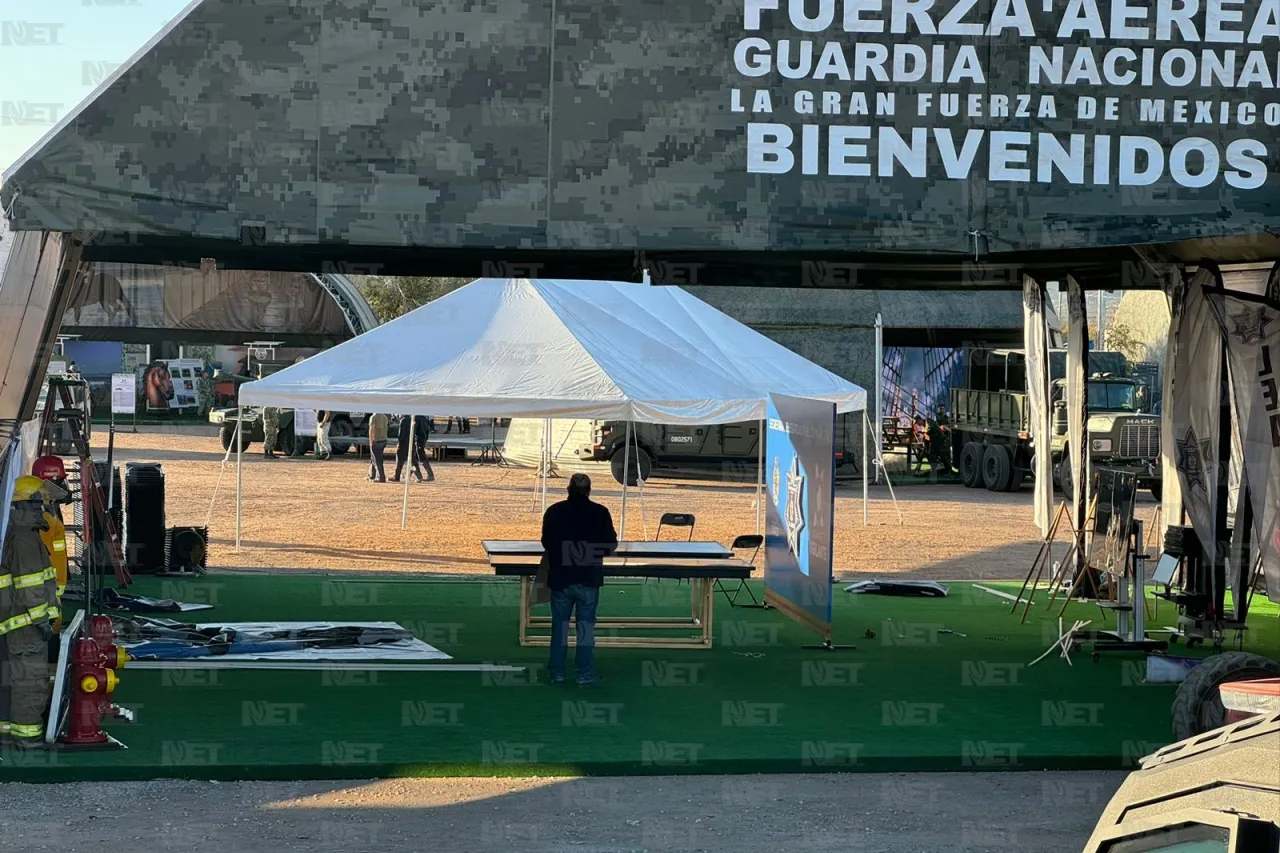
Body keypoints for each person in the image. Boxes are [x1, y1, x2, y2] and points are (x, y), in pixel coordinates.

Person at [1, 476, 65, 748]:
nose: (43, 510)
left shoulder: (16, 534)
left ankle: (7, 736)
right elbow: (31, 587)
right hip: (27, 628)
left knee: (12, 683)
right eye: (37, 504)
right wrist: (43, 622)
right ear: (20, 508)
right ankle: (28, 740)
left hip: (16, 626)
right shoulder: (25, 539)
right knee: (31, 683)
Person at [540, 473, 617, 686]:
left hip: (561, 577)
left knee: (559, 628)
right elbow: (611, 546)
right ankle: (584, 674)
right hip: (588, 578)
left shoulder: (554, 512)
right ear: (589, 490)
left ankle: (557, 673)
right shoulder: (600, 513)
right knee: (585, 630)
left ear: (568, 489)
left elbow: (546, 542)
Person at [391, 415, 427, 483]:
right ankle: (419, 476)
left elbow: (401, 434)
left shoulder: (403, 421)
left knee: (399, 461)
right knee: (413, 461)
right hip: (411, 442)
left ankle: (396, 476)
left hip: (404, 444)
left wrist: (399, 443)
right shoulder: (412, 420)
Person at [367, 412, 389, 482]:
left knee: (376, 460)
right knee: (375, 458)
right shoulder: (385, 417)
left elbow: (371, 430)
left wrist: (371, 441)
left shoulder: (373, 417)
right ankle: (372, 475)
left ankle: (381, 477)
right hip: (384, 440)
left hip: (376, 440)